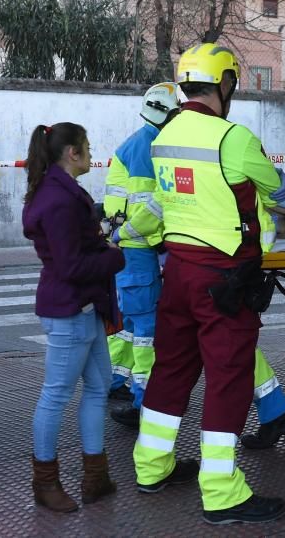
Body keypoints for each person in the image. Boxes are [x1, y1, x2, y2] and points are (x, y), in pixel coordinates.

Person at [133, 42, 285, 525]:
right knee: (229, 379)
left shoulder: (163, 135)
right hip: (224, 277)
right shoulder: (233, 137)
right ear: (225, 84)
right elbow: (277, 189)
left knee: (170, 370)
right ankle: (222, 493)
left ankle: (151, 466)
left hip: (177, 270)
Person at [22, 122, 125, 512]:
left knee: (98, 388)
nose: (91, 150)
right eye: (87, 144)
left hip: (84, 308)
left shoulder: (59, 191)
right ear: (72, 153)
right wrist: (114, 257)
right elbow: (70, 265)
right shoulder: (60, 199)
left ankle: (95, 477)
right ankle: (45, 482)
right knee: (56, 395)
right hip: (71, 308)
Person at [104, 82, 180, 427]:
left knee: (129, 325)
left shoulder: (139, 141)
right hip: (138, 247)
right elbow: (151, 207)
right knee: (147, 327)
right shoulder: (150, 147)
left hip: (129, 250)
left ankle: (114, 381)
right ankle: (144, 400)